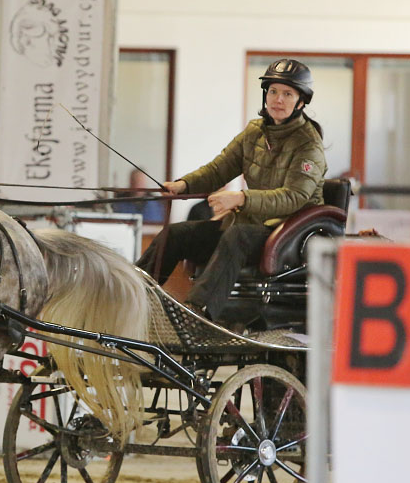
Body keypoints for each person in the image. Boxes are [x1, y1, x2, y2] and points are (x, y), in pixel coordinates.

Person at [136, 58, 327, 321]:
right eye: (273, 91)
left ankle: (198, 314)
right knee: (176, 234)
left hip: (286, 233)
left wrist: (241, 198)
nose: (278, 99)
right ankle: (132, 295)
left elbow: (294, 197)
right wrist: (184, 185)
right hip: (250, 226)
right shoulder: (254, 132)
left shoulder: (308, 144)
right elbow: (219, 170)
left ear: (301, 101)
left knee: (236, 235)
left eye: (287, 94)